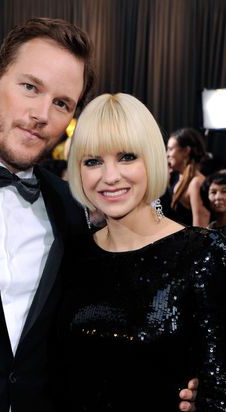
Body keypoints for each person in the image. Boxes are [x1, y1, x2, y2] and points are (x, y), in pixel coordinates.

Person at [0, 18, 196, 412]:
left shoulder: (68, 205)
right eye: (30, 87)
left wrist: (187, 383)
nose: (41, 114)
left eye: (61, 103)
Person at [56, 93, 226, 412]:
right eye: (93, 161)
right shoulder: (74, 254)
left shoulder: (203, 252)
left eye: (127, 157)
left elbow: (220, 388)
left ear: (151, 158)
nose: (110, 176)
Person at [166, 127, 210, 226]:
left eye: (170, 149)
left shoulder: (196, 183)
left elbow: (200, 230)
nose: (167, 154)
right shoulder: (177, 177)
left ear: (186, 151)